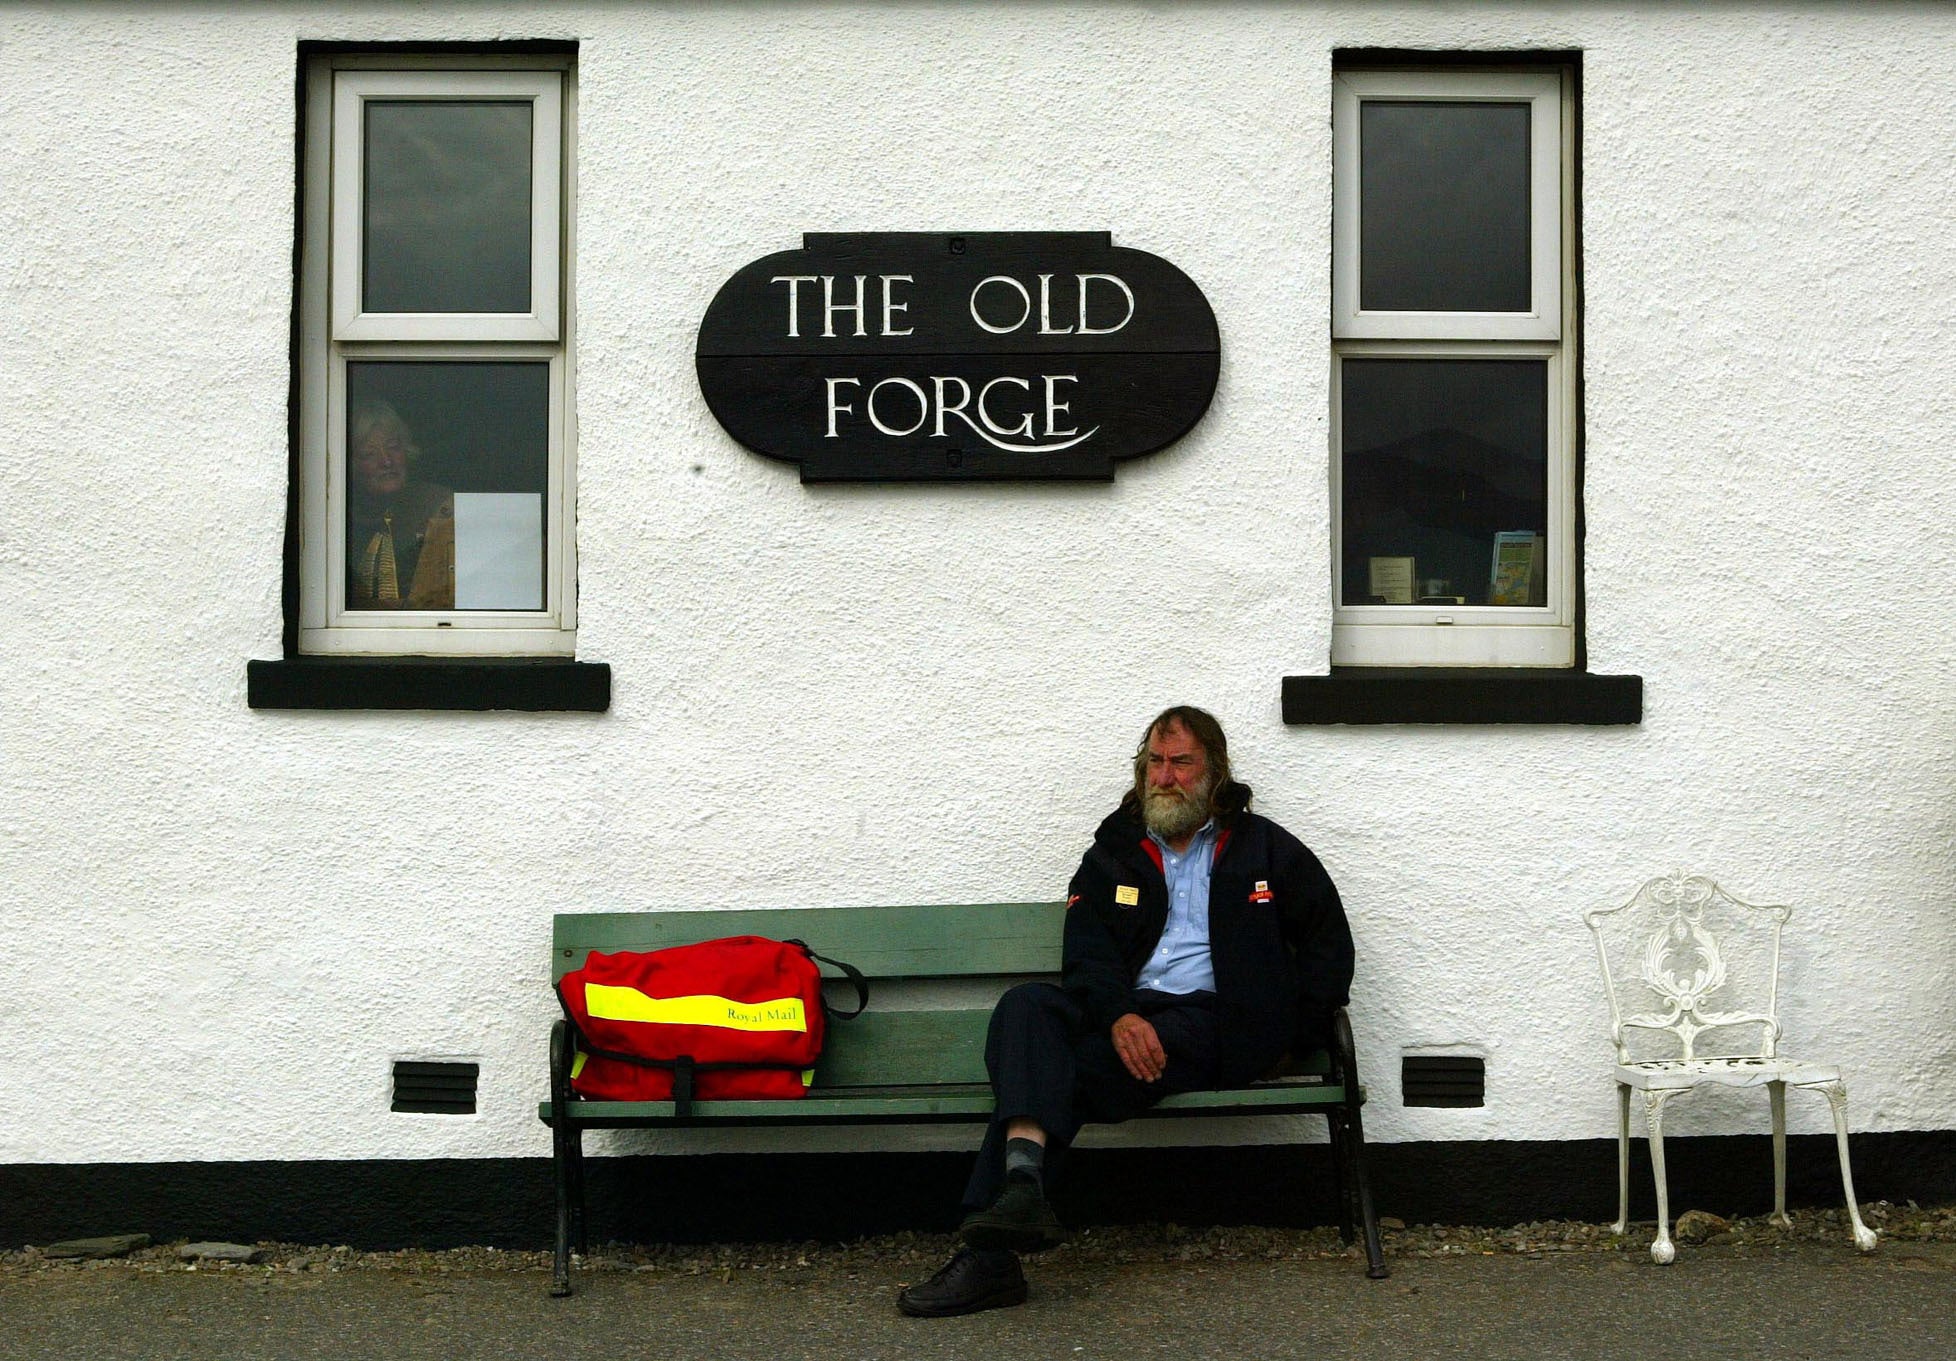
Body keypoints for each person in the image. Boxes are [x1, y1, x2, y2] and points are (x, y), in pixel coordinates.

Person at [897, 705, 1354, 1318]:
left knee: (1054, 1071)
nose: (1164, 777)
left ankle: (992, 1247)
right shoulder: (1116, 849)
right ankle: (1021, 1190)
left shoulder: (1265, 850)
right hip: (1127, 1016)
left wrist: (1289, 1038)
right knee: (1026, 1006)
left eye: (1181, 763)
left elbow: (1328, 944)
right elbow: (1085, 952)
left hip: (1211, 1022)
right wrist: (1117, 1015)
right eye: (1154, 763)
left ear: (1215, 773)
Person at [345, 400, 455, 609]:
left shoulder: (439, 507)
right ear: (350, 465)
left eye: (394, 448)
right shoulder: (337, 523)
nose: (386, 461)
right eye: (369, 454)